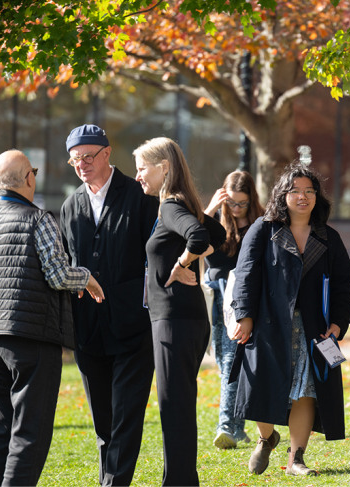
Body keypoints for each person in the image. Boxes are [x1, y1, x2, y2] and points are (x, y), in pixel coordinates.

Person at [0, 150, 105, 486]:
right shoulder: (38, 219)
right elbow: (56, 275)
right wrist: (86, 277)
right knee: (29, 433)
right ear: (28, 179)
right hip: (34, 337)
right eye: (33, 171)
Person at [231, 162, 350, 477]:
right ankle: (267, 436)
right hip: (267, 325)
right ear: (282, 195)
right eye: (296, 191)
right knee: (259, 385)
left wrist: (338, 323)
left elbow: (342, 283)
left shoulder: (328, 237)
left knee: (306, 390)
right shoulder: (264, 229)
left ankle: (295, 459)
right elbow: (246, 273)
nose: (303, 197)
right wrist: (244, 316)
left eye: (309, 191)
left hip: (312, 329)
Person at [59, 125, 158, 486]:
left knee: (126, 416)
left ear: (107, 153)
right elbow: (66, 262)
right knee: (103, 420)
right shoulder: (70, 206)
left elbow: (157, 256)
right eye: (75, 159)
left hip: (135, 326)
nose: (82, 164)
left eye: (88, 156)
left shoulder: (141, 196)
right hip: (88, 329)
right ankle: (109, 479)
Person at [133, 137, 225, 486]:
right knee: (178, 405)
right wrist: (195, 246)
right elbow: (215, 235)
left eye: (143, 168)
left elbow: (200, 238)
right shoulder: (180, 205)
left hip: (175, 320)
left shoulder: (170, 205)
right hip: (183, 320)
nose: (138, 175)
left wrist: (181, 263)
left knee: (175, 407)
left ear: (164, 167)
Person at [203, 170, 264, 450]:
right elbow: (191, 241)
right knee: (226, 362)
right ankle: (237, 427)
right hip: (217, 295)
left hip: (245, 298)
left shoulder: (259, 225)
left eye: (243, 204)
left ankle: (226, 425)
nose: (237, 209)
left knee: (232, 360)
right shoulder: (215, 221)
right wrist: (211, 209)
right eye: (232, 204)